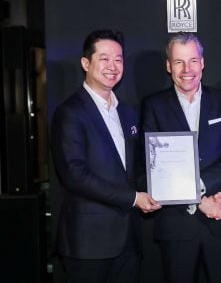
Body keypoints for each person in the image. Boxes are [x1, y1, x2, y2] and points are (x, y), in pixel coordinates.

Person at [51, 29, 161, 283]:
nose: (113, 66)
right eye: (104, 58)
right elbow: (74, 175)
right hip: (88, 244)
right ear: (85, 63)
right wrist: (134, 198)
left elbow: (136, 169)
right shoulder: (70, 113)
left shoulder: (128, 113)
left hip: (128, 242)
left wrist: (162, 186)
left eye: (119, 59)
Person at [141, 32, 221, 283]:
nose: (186, 69)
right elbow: (151, 166)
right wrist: (199, 200)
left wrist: (202, 188)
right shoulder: (154, 106)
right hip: (177, 226)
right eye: (178, 62)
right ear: (169, 66)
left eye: (192, 60)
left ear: (203, 63)